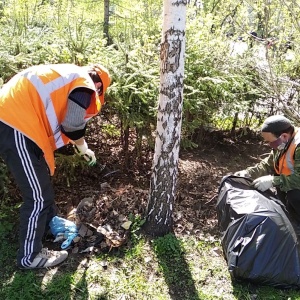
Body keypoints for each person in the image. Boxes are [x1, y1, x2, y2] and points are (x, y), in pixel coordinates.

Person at [0, 63, 111, 269]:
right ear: (98, 86)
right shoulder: (84, 83)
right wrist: (82, 146)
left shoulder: (68, 76)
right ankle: (29, 257)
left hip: (20, 125)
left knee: (41, 186)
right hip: (15, 125)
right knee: (37, 196)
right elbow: (72, 124)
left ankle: (48, 227)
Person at [235, 115, 300, 221]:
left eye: (271, 142)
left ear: (284, 136)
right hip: (291, 186)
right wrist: (248, 173)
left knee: (294, 195)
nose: (270, 145)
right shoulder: (282, 143)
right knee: (282, 187)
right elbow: (268, 164)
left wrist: (273, 181)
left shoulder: (298, 144)